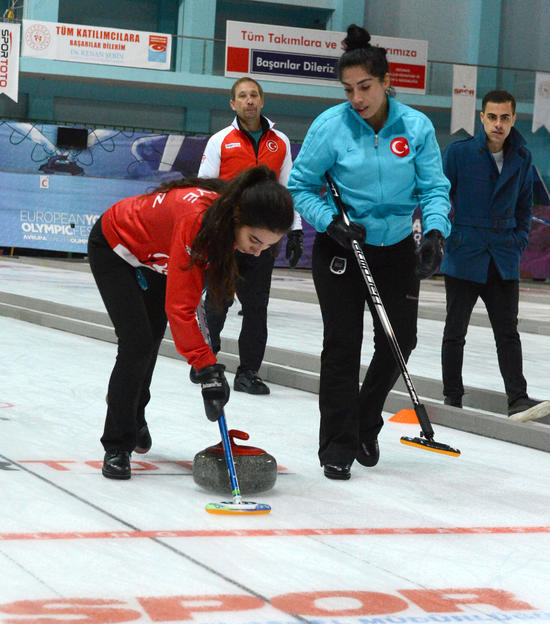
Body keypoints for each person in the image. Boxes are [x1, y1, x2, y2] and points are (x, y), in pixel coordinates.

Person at [287, 24, 451, 481]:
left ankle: (364, 419)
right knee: (342, 345)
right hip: (342, 247)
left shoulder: (415, 127)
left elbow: (434, 188)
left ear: (386, 81)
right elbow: (301, 186)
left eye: (365, 87)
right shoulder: (330, 126)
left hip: (395, 248)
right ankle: (337, 446)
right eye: (348, 89)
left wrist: (435, 232)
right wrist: (329, 222)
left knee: (400, 341)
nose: (356, 98)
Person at [87, 166, 294, 480]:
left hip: (157, 257)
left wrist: (204, 363)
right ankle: (117, 444)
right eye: (254, 240)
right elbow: (181, 309)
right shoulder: (198, 222)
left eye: (267, 246)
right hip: (116, 245)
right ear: (237, 217)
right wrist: (207, 368)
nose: (257, 251)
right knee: (137, 342)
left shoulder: (224, 222)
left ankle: (132, 413)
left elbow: (195, 298)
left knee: (151, 336)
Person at [441, 89, 550, 422]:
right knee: (455, 331)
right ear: (482, 117)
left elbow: (524, 205)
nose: (498, 124)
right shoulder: (458, 153)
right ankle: (452, 397)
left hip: (502, 257)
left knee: (507, 332)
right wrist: (448, 236)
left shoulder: (522, 157)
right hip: (465, 253)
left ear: (514, 119)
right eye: (492, 117)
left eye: (504, 117)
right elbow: (439, 197)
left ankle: (517, 398)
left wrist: (518, 241)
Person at [196, 76, 303, 396]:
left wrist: (295, 229)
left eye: (254, 95)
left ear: (262, 100)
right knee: (218, 303)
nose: (249, 100)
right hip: (225, 238)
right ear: (233, 103)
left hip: (263, 240)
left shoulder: (280, 141)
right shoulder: (220, 140)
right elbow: (203, 188)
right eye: (242, 96)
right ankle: (206, 360)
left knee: (256, 308)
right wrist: (203, 231)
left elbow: (287, 188)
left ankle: (248, 372)